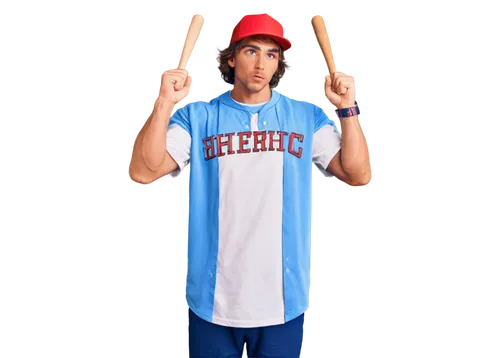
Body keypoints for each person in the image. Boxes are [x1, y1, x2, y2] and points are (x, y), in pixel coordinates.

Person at [128, 10, 372, 357]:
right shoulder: (198, 116)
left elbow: (359, 175)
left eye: (271, 54)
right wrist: (165, 101)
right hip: (212, 302)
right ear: (230, 57)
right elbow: (141, 171)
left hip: (283, 303)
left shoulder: (305, 116)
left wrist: (347, 109)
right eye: (251, 51)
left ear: (279, 63)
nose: (261, 64)